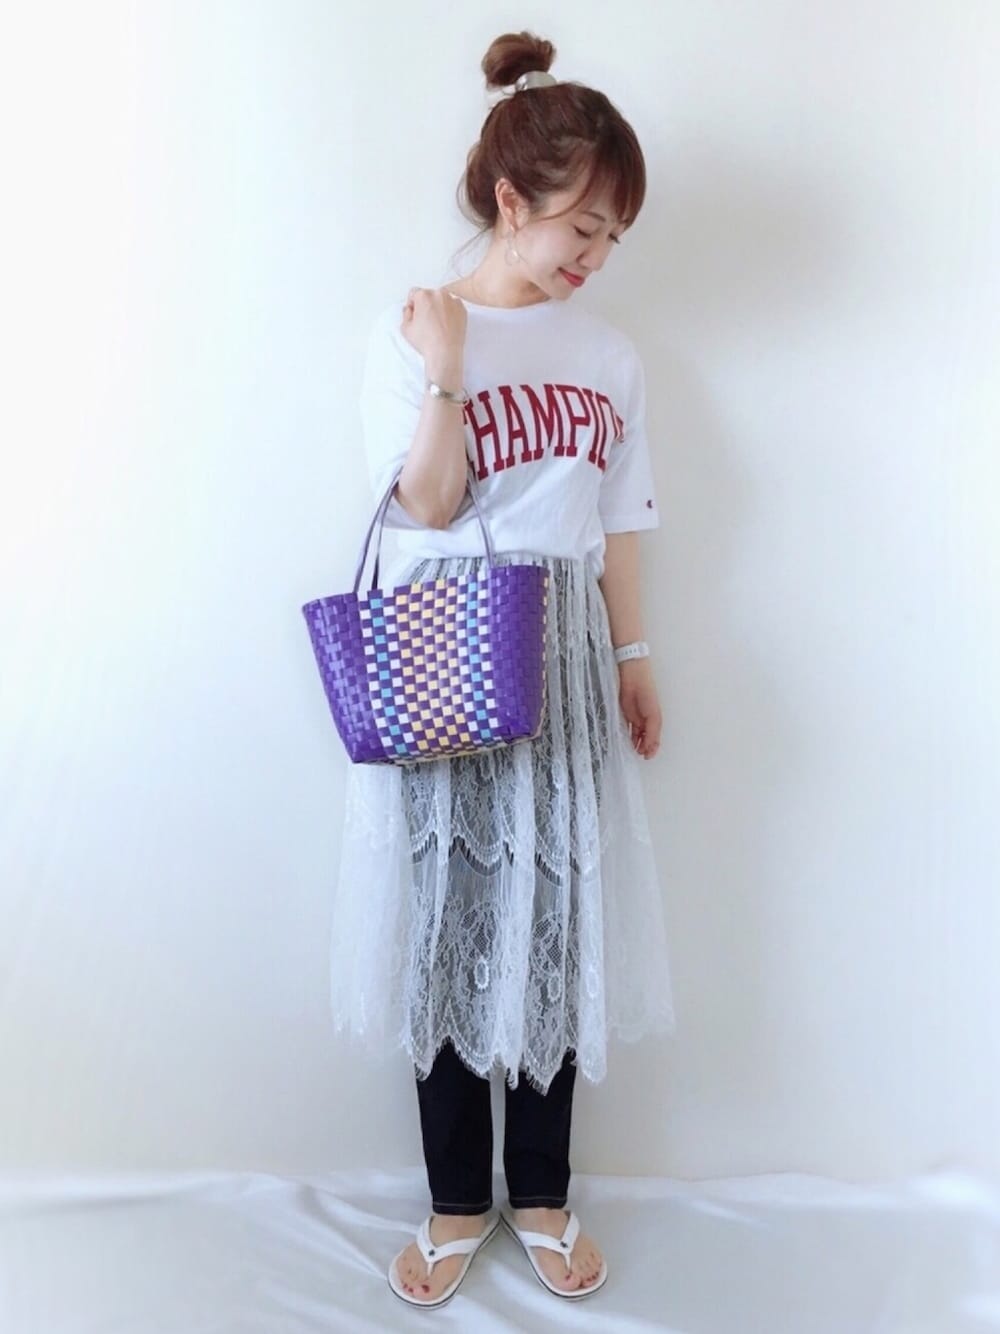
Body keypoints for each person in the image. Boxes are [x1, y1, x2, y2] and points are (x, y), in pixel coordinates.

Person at [330, 30, 677, 1308]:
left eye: (613, 235)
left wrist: (633, 655)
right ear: (510, 197)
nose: (596, 255)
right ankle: (452, 1198)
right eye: (582, 225)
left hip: (568, 651)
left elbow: (619, 520)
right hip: (446, 645)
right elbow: (423, 508)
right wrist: (446, 373)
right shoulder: (418, 329)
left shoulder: (610, 356)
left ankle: (540, 1189)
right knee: (445, 925)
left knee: (554, 922)